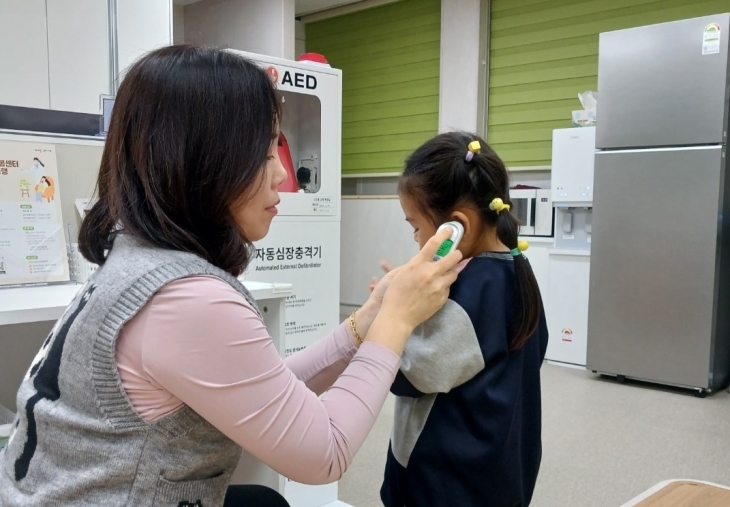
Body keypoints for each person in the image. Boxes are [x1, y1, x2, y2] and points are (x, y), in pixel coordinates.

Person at [0, 45, 462, 507]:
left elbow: (267, 387)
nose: (282, 174)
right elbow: (326, 452)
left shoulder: (137, 258)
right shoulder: (188, 300)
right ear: (201, 161)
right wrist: (396, 322)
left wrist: (365, 322)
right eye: (264, 153)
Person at [379, 133, 549, 507]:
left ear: (457, 226)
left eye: (416, 227)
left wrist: (388, 319)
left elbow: (411, 374)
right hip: (500, 465)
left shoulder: (470, 293)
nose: (415, 239)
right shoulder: (518, 268)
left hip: (446, 479)